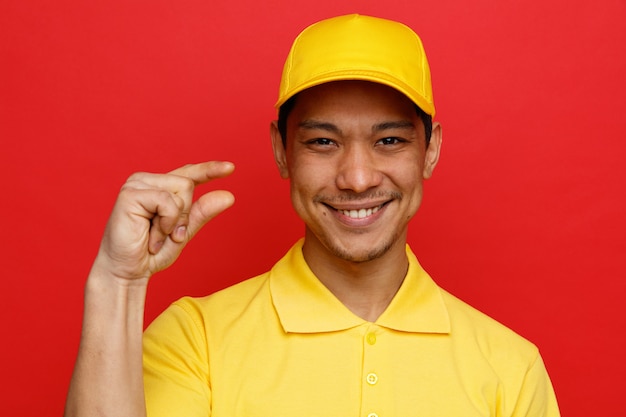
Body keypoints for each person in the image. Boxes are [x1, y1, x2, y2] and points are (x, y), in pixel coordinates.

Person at [64, 14, 560, 417]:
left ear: (430, 152)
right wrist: (118, 283)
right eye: (323, 142)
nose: (358, 177)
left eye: (389, 141)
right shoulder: (196, 341)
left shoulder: (510, 368)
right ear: (282, 151)